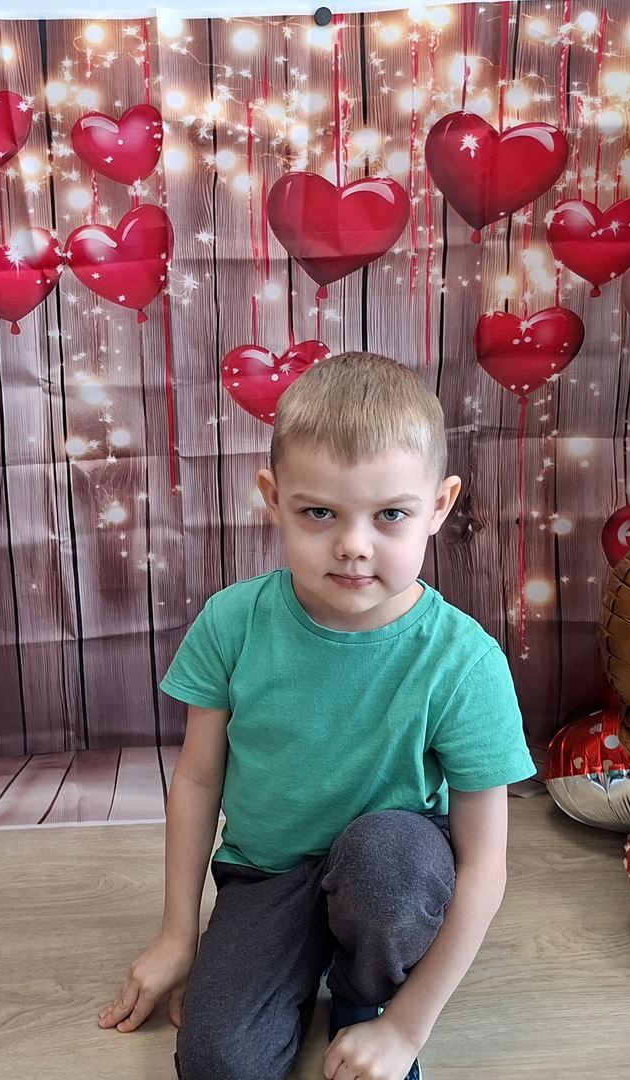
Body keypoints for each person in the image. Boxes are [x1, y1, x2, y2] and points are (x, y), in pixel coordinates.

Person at [97, 352, 534, 1080]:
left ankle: (367, 988)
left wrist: (404, 1027)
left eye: (390, 514)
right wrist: (178, 935)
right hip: (266, 875)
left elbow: (484, 865)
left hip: (387, 876)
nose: (354, 546)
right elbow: (199, 781)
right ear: (274, 499)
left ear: (439, 506)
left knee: (389, 864)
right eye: (320, 513)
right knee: (218, 1065)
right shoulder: (233, 623)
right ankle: (289, 971)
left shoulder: (464, 661)